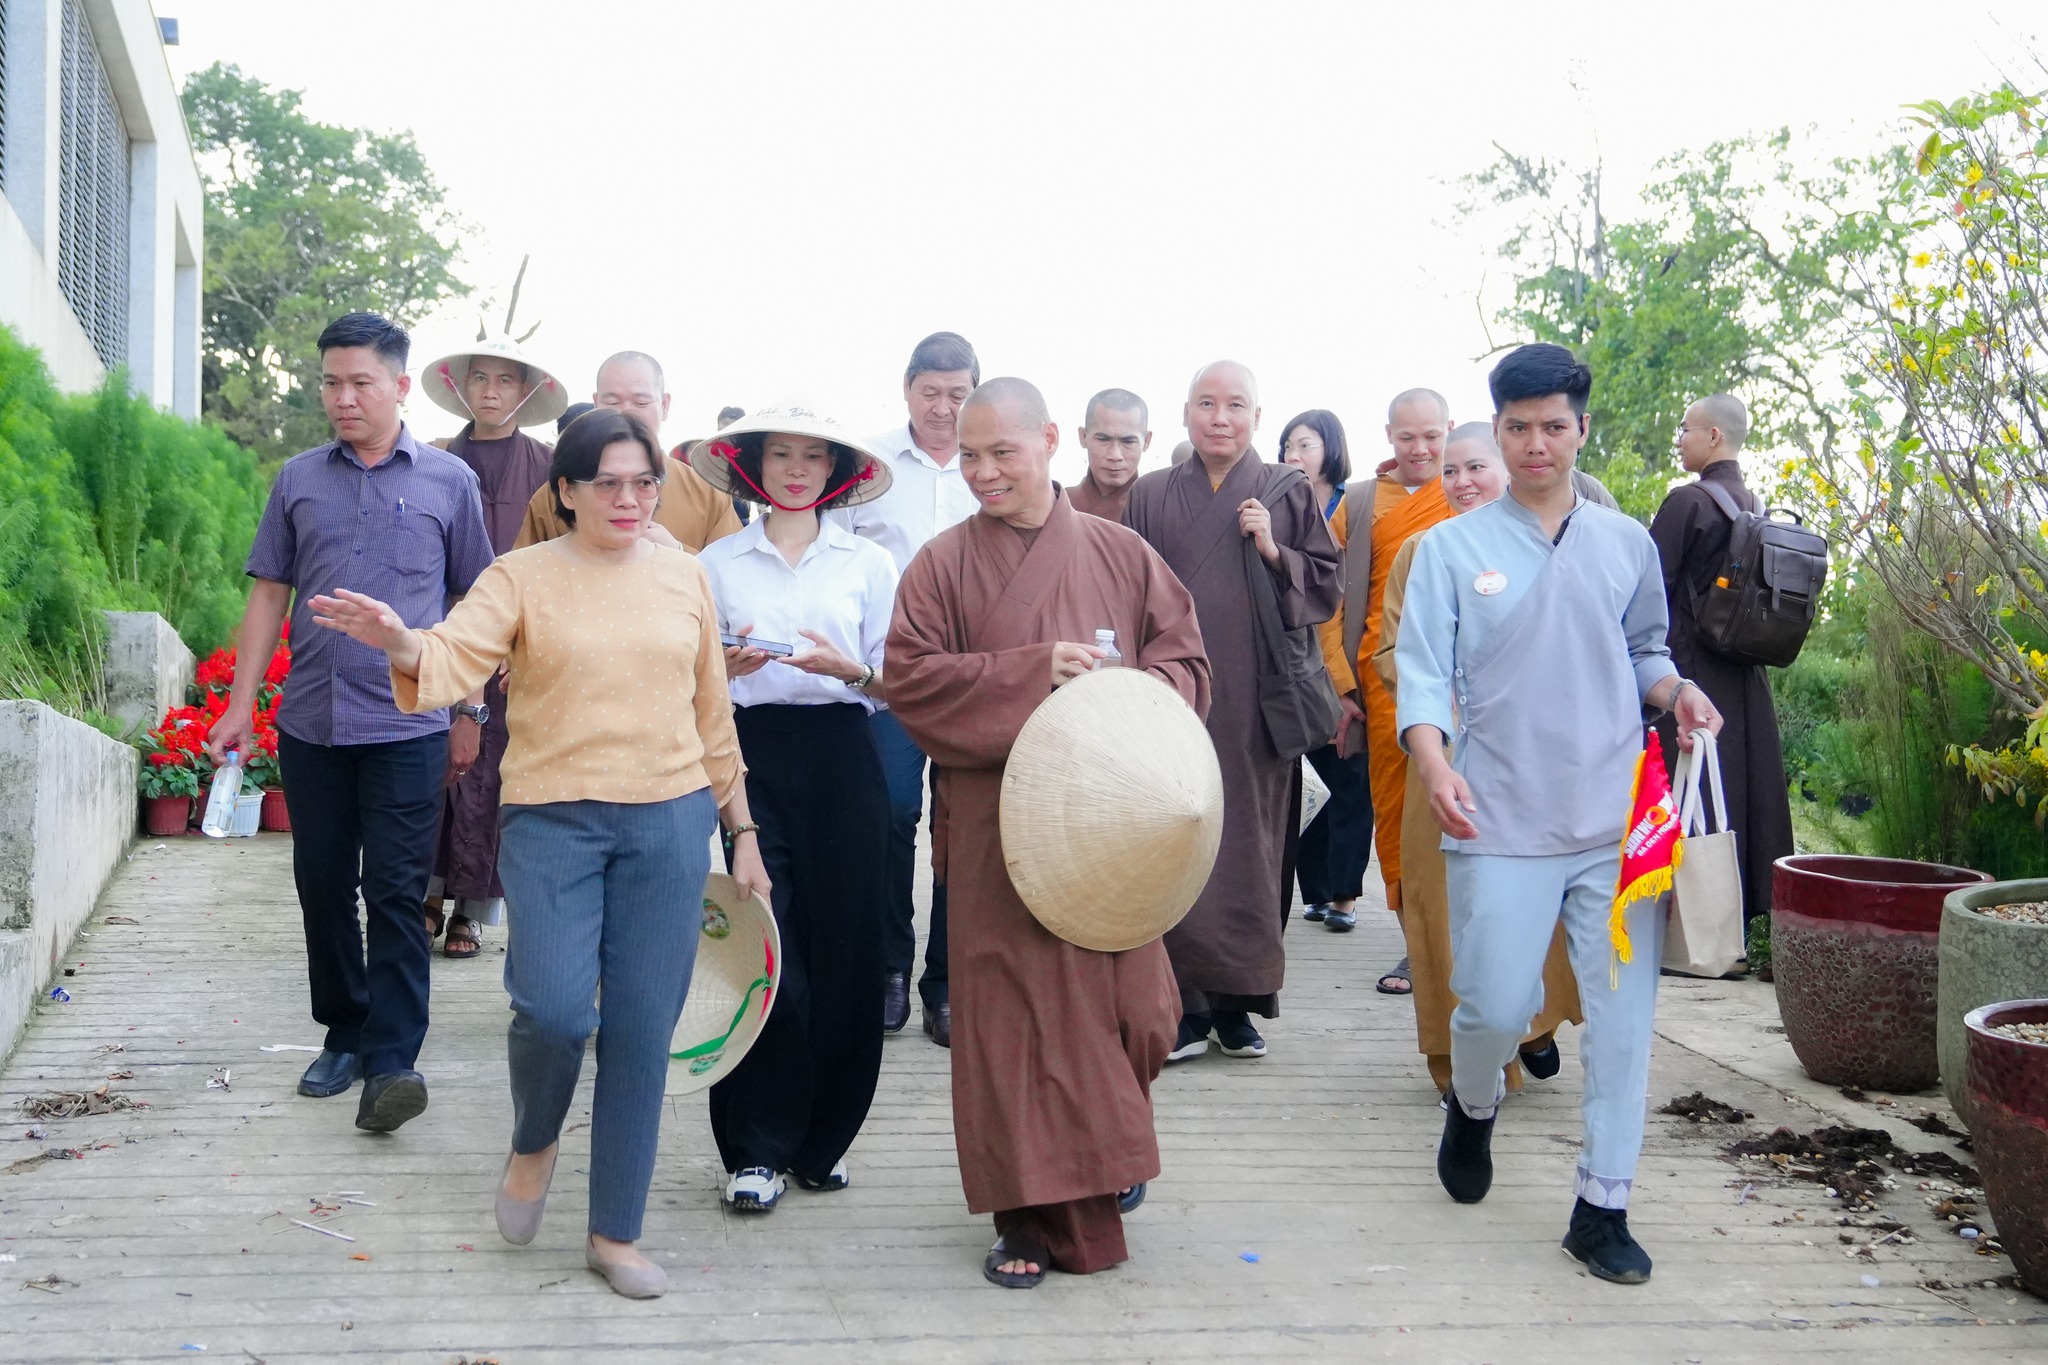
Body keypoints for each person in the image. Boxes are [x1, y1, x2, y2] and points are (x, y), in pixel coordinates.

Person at [308, 408, 768, 1298]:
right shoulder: (522, 574)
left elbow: (714, 715)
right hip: (554, 819)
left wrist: (741, 832)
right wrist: (400, 639)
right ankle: (534, 1140)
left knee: (640, 1029)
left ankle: (614, 1232)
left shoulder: (685, 576)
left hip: (670, 821)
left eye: (645, 483)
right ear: (567, 490)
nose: (631, 500)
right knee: (553, 1011)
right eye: (610, 483)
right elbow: (454, 653)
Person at [1395, 343, 1722, 1285]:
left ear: (1581, 429)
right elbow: (1422, 675)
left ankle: (1602, 1205)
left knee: (1621, 1023)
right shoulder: (1450, 550)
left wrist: (1678, 692)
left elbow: (1646, 650)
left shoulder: (1625, 544)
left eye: (1552, 426)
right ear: (1498, 432)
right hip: (1496, 816)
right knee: (1496, 1004)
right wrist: (1433, 760)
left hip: (1614, 824)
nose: (1535, 443)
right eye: (1517, 427)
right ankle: (1473, 1104)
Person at [886, 376, 1210, 1287]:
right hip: (1001, 828)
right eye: (970, 456)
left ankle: (1104, 1151)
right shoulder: (942, 564)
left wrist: (1115, 695)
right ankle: (1026, 1216)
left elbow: (1186, 663)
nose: (985, 471)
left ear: (1050, 440)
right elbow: (910, 679)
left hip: (1111, 831)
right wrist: (1032, 672)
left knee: (1141, 1011)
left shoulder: (1121, 552)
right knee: (1013, 1025)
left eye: (1003, 452)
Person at [207, 312, 495, 1129]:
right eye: (330, 382)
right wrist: (240, 704)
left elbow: (476, 601)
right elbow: (270, 590)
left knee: (396, 890)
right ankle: (344, 1030)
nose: (342, 398)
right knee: (323, 883)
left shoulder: (448, 482)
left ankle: (393, 1060)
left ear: (399, 386)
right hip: (314, 724)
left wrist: (469, 706)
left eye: (360, 382)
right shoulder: (299, 478)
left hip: (408, 724)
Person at [687, 407, 898, 1213]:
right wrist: (730, 670)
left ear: (837, 470)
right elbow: (696, 679)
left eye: (814, 456)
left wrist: (852, 671)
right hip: (752, 760)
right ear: (754, 465)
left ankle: (823, 1141)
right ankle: (756, 1146)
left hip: (846, 754)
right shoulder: (715, 562)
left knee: (848, 947)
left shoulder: (869, 562)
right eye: (781, 454)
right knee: (767, 944)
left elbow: (892, 681)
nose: (797, 469)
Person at [1123, 360, 1341, 1063]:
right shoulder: (1150, 494)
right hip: (1172, 699)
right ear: (1186, 412)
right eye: (1207, 404)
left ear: (1256, 416)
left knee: (1250, 843)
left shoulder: (1283, 489)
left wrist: (1274, 548)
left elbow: (1325, 584)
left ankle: (1239, 1005)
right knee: (1173, 837)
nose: (1221, 418)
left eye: (1236, 405)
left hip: (1253, 701)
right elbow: (1124, 592)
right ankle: (1183, 1004)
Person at [1374, 423, 1583, 1093]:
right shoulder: (1422, 549)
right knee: (1445, 908)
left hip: (1534, 756)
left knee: (1536, 897)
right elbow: (1390, 651)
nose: (1462, 482)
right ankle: (1456, 1063)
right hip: (1446, 757)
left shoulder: (1554, 543)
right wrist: (1439, 700)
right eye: (1451, 470)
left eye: (1476, 467)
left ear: (1507, 468)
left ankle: (1535, 1023)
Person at [831, 332, 982, 1044]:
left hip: (975, 677)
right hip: (890, 675)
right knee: (891, 812)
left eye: (958, 394)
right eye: (931, 393)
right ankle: (888, 963)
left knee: (963, 825)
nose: (943, 408)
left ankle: (946, 982)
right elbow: (834, 556)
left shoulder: (991, 463)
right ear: (907, 390)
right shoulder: (870, 466)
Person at [417, 339, 568, 960]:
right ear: (461, 386)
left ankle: (473, 911)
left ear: (526, 391)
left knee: (497, 776)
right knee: (435, 767)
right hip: (444, 634)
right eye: (480, 378)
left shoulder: (551, 465)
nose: (491, 391)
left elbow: (563, 554)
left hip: (520, 646)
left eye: (506, 380)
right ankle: (425, 895)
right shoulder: (431, 460)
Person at [1651, 394, 1795, 945]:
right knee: (1743, 790)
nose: (1679, 439)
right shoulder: (1753, 504)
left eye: (1685, 429)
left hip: (1690, 675)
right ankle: (1747, 922)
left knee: (1688, 790)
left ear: (1714, 436)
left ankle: (1683, 926)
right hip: (1746, 673)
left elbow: (1648, 591)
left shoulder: (1686, 503)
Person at [1329, 389, 1457, 992]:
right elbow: (1327, 599)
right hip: (1387, 681)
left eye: (1432, 436)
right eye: (1407, 437)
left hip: (1468, 682)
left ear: (1450, 429)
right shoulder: (1360, 503)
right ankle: (1419, 949)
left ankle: (1473, 945)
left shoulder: (1471, 490)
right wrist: (1341, 683)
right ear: (1388, 436)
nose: (1421, 449)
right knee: (1400, 819)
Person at [1277, 409, 1370, 933]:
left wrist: (1348, 683)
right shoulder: (1279, 505)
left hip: (1350, 662)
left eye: (1305, 445)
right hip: (1297, 661)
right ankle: (1313, 889)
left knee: (1349, 780)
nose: (1294, 455)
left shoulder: (1355, 507)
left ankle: (1345, 894)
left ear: (1331, 449)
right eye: (1288, 446)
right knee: (1305, 780)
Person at [511, 351, 742, 552]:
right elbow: (524, 574)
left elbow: (734, 579)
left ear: (664, 405)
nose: (626, 413)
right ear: (596, 404)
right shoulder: (564, 491)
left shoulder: (706, 493)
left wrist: (679, 553)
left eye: (641, 403)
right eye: (612, 402)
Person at [1068, 388, 1152, 521]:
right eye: (1103, 440)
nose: (1115, 455)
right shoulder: (1059, 505)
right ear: (1083, 437)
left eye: (1128, 442)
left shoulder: (1156, 509)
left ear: (1147, 441)